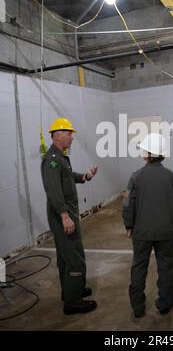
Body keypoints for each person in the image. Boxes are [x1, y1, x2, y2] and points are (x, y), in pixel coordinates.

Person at [122, 133, 173, 318]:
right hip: (166, 231)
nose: (142, 151)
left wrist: (128, 226)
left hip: (141, 232)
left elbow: (128, 204)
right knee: (166, 267)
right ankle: (165, 304)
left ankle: (138, 307)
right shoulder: (171, 177)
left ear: (149, 153)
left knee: (139, 267)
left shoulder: (136, 177)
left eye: (144, 149)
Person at [41, 118, 98, 315]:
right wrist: (65, 216)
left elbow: (68, 177)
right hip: (62, 215)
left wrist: (85, 176)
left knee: (67, 255)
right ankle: (73, 301)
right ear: (57, 135)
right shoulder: (52, 160)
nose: (72, 137)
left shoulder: (60, 157)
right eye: (69, 133)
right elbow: (54, 191)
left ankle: (72, 289)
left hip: (66, 213)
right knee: (74, 256)